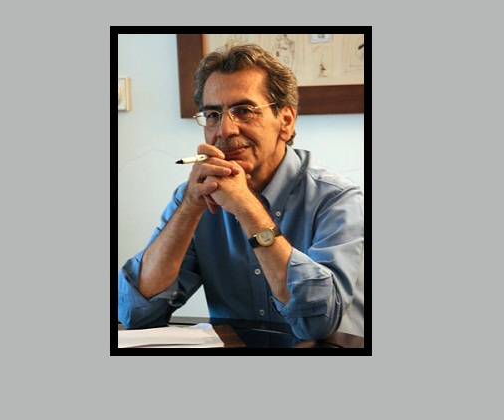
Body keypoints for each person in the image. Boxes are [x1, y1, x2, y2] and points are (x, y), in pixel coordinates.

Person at [118, 42, 364, 340]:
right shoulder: (196, 196)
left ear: (285, 121)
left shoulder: (338, 199)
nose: (225, 130)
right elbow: (135, 313)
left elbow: (317, 323)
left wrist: (246, 207)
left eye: (244, 111)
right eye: (213, 114)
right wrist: (190, 206)